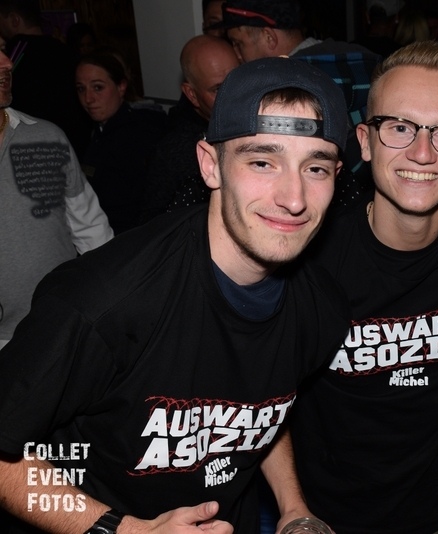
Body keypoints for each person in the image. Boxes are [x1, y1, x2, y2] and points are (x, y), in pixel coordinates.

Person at [0, 56, 351, 534]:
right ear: (210, 165)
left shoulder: (320, 306)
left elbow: (263, 407)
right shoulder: (102, 303)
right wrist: (125, 530)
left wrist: (293, 507)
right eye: (262, 162)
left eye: (316, 168)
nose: (294, 198)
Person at [290, 40, 438, 534]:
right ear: (365, 141)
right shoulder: (309, 257)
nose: (422, 152)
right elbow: (263, 395)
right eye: (399, 127)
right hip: (328, 517)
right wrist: (293, 509)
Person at [218, 0, 381, 211]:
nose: (237, 56)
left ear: (269, 37)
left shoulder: (278, 88)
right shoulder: (366, 58)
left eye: (238, 43)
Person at [0, 47, 112, 349]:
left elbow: (91, 230)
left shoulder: (46, 137)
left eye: (3, 50)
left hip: (63, 326)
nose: (7, 62)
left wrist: (110, 302)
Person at [140, 35, 239, 223]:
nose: (234, 94)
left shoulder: (261, 119)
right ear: (192, 94)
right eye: (218, 89)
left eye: (238, 79)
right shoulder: (176, 152)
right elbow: (154, 225)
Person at [75, 50, 167, 233]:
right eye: (81, 89)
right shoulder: (93, 131)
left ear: (121, 87)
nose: (88, 98)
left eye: (98, 88)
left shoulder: (140, 135)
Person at [0, 0, 90, 155]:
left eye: (2, 48)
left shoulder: (18, 51)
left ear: (15, 20)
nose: (7, 63)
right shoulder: (67, 52)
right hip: (75, 146)